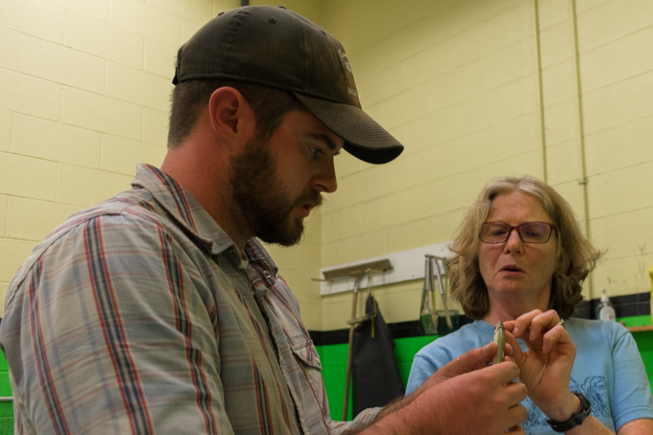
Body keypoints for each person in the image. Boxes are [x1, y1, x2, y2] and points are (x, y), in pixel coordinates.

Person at [0, 6, 528, 434]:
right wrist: (421, 428)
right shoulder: (113, 254)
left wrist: (424, 405)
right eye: (316, 149)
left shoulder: (261, 283)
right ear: (230, 117)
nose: (330, 182)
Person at [406, 176, 653, 434]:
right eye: (497, 232)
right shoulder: (436, 362)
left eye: (533, 232)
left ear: (561, 254)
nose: (512, 245)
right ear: (475, 253)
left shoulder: (611, 342)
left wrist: (565, 408)